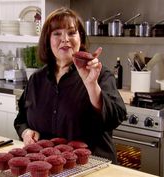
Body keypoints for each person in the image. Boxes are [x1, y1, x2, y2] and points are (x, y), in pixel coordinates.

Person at [14, 7, 127, 164]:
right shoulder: (36, 79)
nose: (65, 39)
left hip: (93, 167)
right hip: (49, 168)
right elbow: (21, 119)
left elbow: (115, 117)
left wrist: (92, 85)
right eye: (57, 33)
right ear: (48, 40)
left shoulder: (100, 75)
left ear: (80, 38)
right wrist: (26, 132)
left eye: (72, 33)